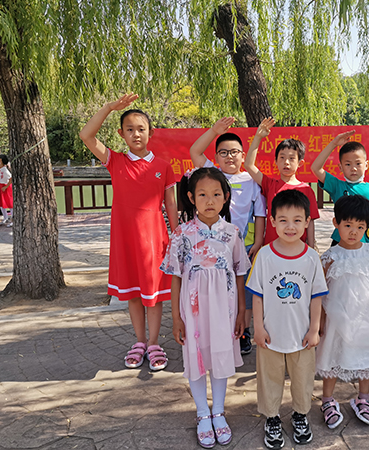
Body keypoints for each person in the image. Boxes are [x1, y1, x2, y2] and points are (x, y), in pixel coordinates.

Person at [79, 93, 178, 371]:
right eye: (130, 129)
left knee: (154, 295)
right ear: (121, 134)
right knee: (134, 293)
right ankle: (140, 342)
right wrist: (109, 107)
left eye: (141, 129)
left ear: (150, 133)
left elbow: (170, 203)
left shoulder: (163, 166)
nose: (136, 134)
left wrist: (177, 235)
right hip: (125, 238)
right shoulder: (115, 161)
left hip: (155, 238)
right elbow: (86, 135)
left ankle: (155, 343)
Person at [160, 167, 249, 448]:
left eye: (216, 194)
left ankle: (218, 411)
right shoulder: (181, 234)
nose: (209, 201)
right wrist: (176, 317)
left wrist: (242, 312)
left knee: (220, 355)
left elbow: (239, 272)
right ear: (191, 197)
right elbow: (175, 276)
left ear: (225, 197)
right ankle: (202, 413)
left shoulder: (232, 233)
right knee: (196, 356)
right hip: (193, 309)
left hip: (225, 308)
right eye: (202, 195)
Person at [246, 190, 328, 449]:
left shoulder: (311, 257)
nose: (290, 226)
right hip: (270, 334)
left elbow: (316, 296)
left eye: (297, 220)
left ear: (307, 222)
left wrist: (314, 329)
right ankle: (272, 418)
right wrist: (258, 328)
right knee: (269, 378)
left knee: (303, 378)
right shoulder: (265, 256)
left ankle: (300, 415)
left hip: (302, 335)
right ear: (272, 221)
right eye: (283, 220)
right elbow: (257, 295)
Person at [316, 195, 369, 429]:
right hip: (338, 316)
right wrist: (320, 321)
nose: (353, 231)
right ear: (336, 223)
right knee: (333, 355)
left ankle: (363, 399)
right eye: (348, 225)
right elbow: (321, 291)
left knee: (367, 355)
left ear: (367, 227)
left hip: (368, 316)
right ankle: (327, 400)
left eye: (360, 227)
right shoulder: (330, 257)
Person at [190, 117, 266, 356]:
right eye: (223, 152)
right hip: (212, 247)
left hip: (244, 246)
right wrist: (214, 131)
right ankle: (217, 330)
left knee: (244, 291)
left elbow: (260, 214)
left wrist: (259, 242)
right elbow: (195, 151)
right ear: (216, 157)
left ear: (243, 156)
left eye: (234, 152)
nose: (229, 157)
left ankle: (243, 331)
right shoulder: (212, 175)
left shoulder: (252, 181)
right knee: (217, 289)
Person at [244, 118, 319, 248]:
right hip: (271, 249)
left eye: (291, 158)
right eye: (282, 158)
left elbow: (310, 221)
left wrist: (311, 248)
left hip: (298, 249)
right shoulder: (270, 184)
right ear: (276, 161)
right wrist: (258, 137)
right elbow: (249, 165)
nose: (286, 162)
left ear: (300, 163)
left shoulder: (307, 190)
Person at [310, 131, 369, 248]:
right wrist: (333, 144)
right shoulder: (337, 186)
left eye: (358, 163)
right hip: (340, 243)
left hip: (366, 244)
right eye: (348, 164)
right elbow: (316, 168)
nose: (353, 168)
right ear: (340, 167)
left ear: (366, 165)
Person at [0, 154, 13, 227]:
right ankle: (5, 217)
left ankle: (13, 220)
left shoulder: (5, 170)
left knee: (9, 203)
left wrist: (6, 186)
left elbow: (10, 178)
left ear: (0, 160)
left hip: (5, 187)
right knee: (1, 203)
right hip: (0, 186)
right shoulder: (0, 169)